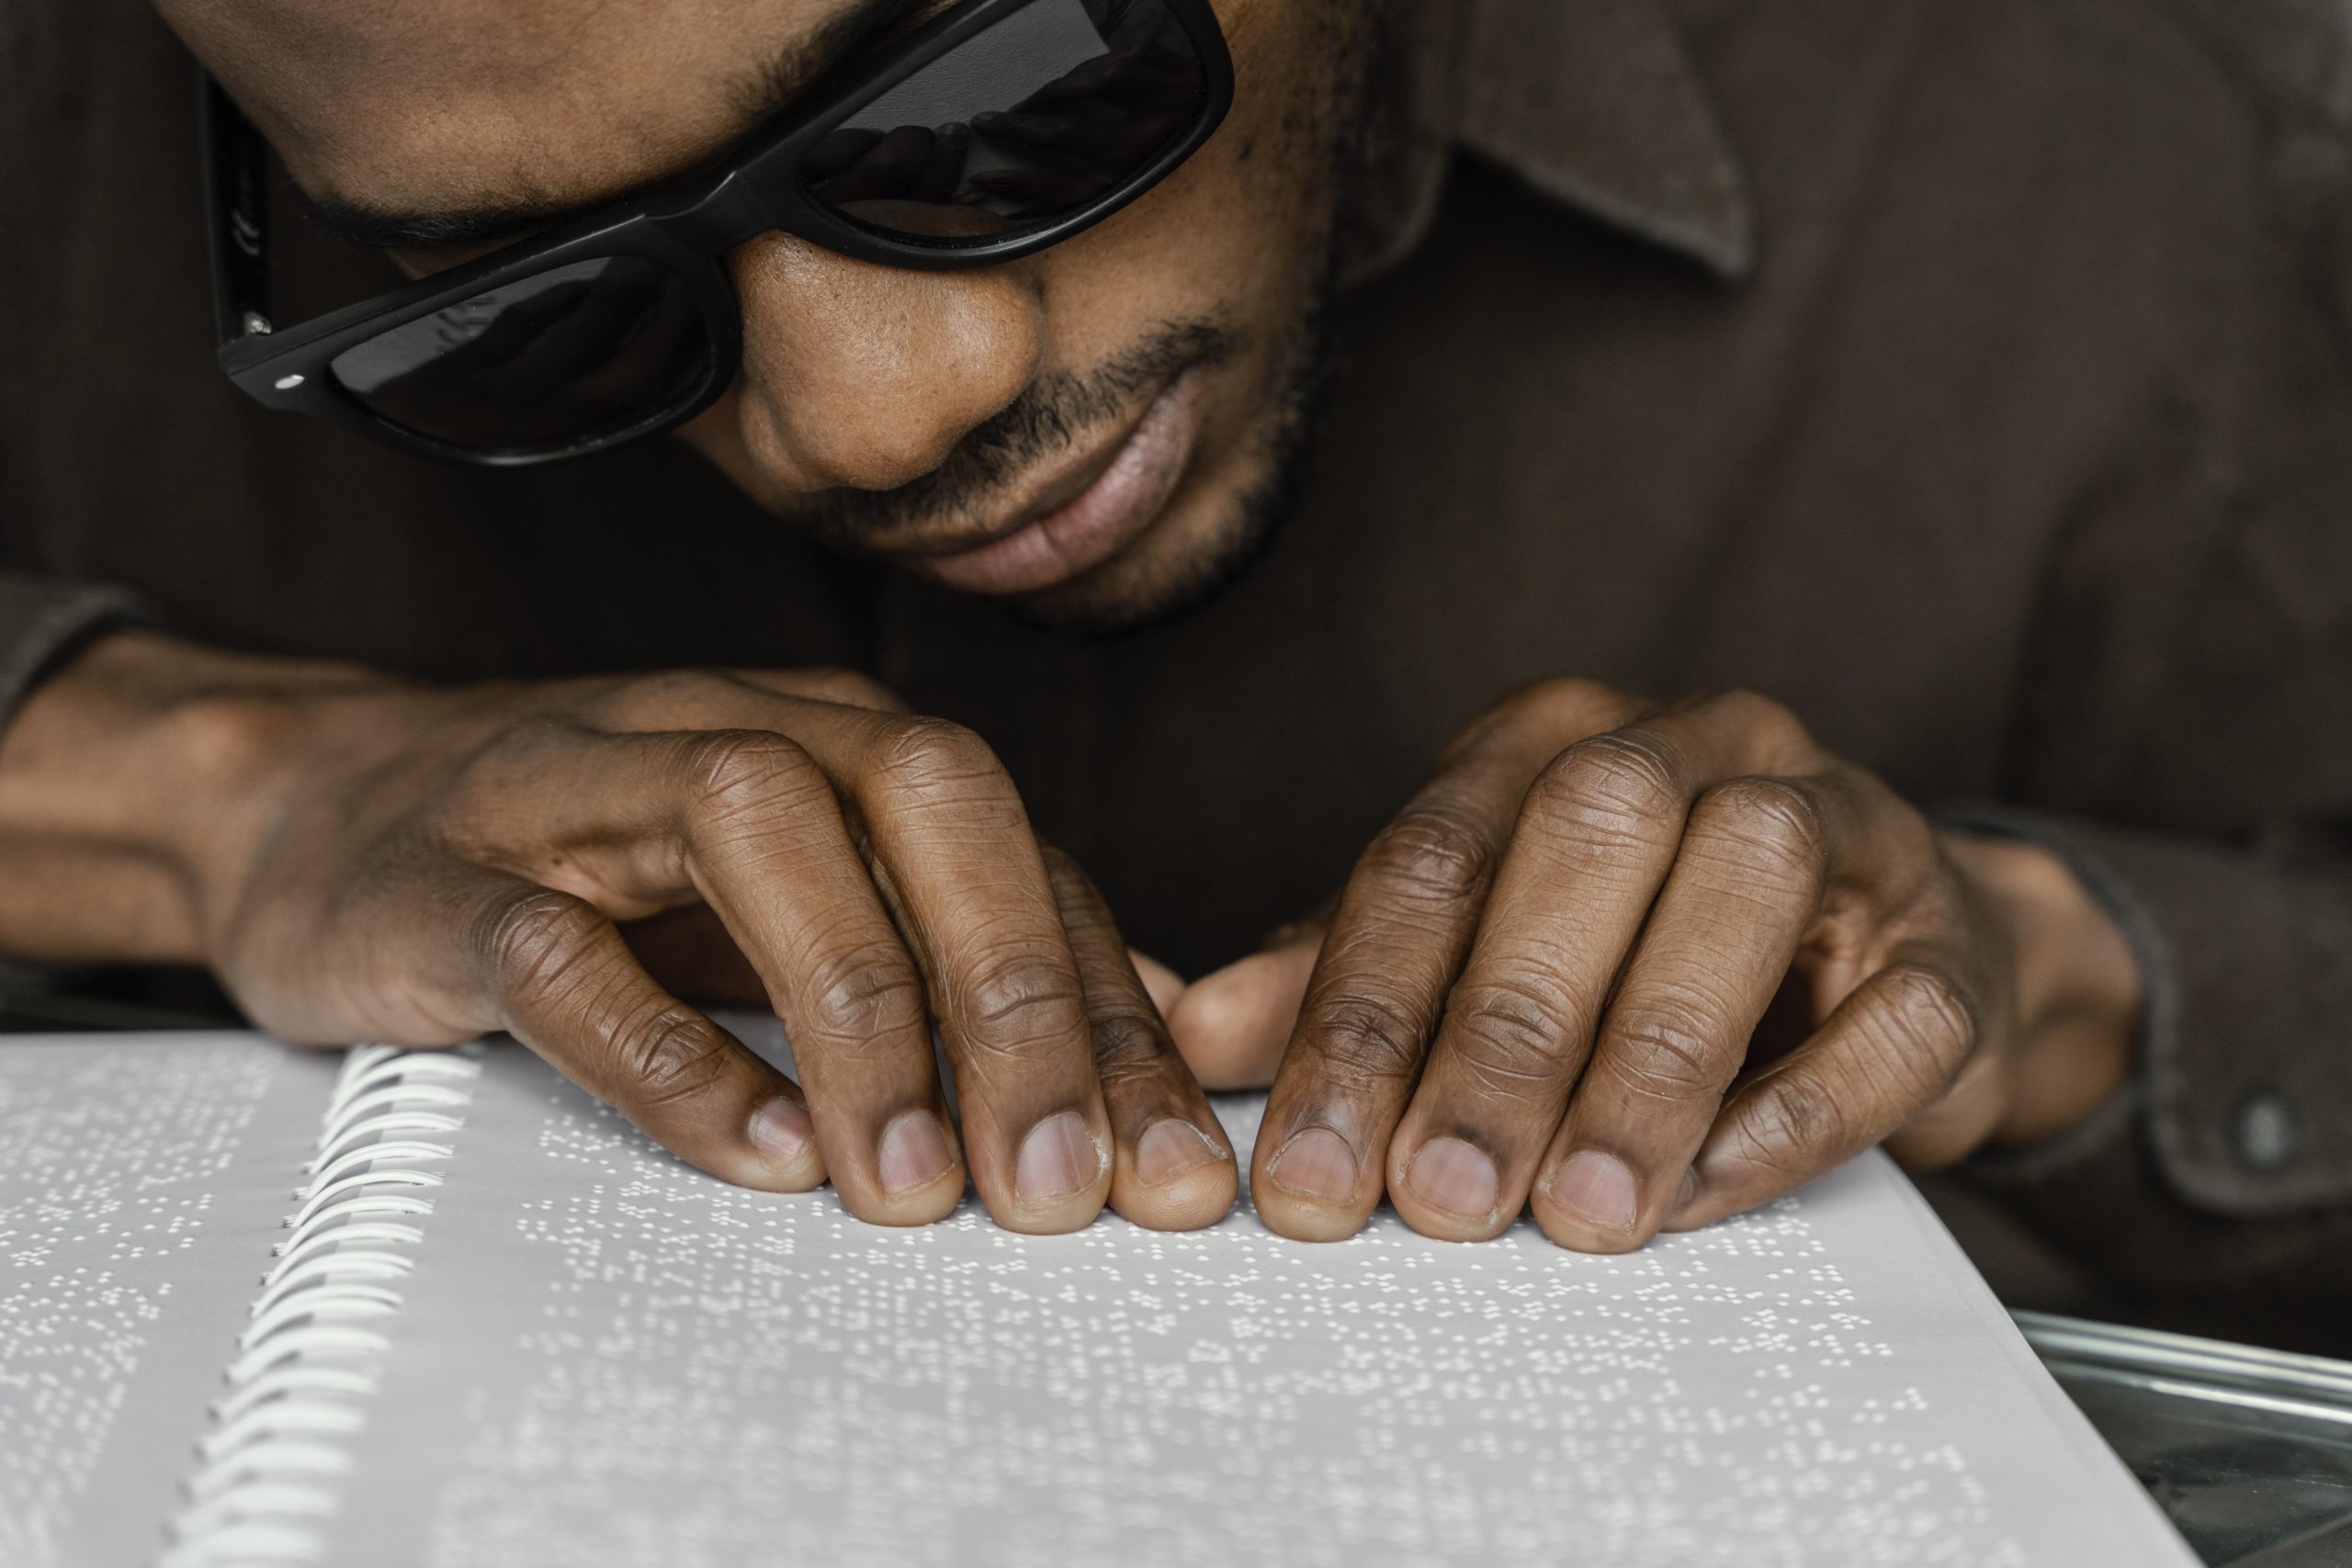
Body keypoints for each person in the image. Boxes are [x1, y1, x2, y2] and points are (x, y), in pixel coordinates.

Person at [3, 0, 2347, 1342]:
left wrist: (2038, 977)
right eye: (507, 298)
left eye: (989, 97)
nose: (868, 415)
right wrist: (205, 787)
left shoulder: (2145, 146)